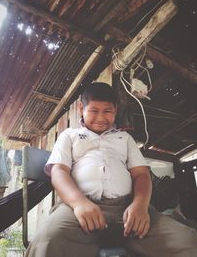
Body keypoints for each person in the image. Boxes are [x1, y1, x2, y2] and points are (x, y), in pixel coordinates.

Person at [25, 82, 197, 257]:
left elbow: (141, 174)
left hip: (129, 209)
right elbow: (59, 172)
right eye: (94, 111)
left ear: (115, 110)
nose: (101, 118)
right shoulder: (69, 135)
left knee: (187, 241)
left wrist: (140, 205)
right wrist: (79, 204)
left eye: (107, 111)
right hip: (79, 210)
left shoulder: (125, 138)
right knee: (47, 241)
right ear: (81, 108)